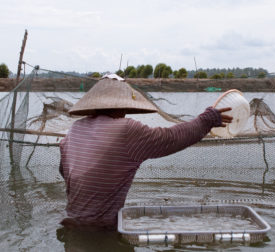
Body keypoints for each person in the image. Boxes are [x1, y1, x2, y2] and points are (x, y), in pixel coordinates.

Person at [58, 75, 232, 230]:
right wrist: (207, 120)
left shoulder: (75, 129)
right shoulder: (125, 130)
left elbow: (64, 171)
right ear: (122, 105)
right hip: (101, 230)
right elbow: (171, 139)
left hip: (71, 223)